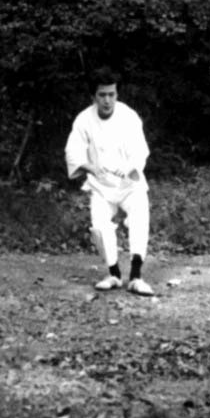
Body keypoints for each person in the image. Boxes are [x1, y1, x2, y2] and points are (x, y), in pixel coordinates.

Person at [65, 68, 155, 296]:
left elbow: (140, 151)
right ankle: (114, 274)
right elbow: (73, 151)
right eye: (102, 95)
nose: (107, 100)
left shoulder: (129, 117)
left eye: (111, 94)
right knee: (99, 225)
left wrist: (128, 169)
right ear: (93, 97)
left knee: (140, 217)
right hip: (101, 185)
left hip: (129, 184)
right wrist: (90, 167)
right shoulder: (84, 119)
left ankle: (136, 276)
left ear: (117, 94)